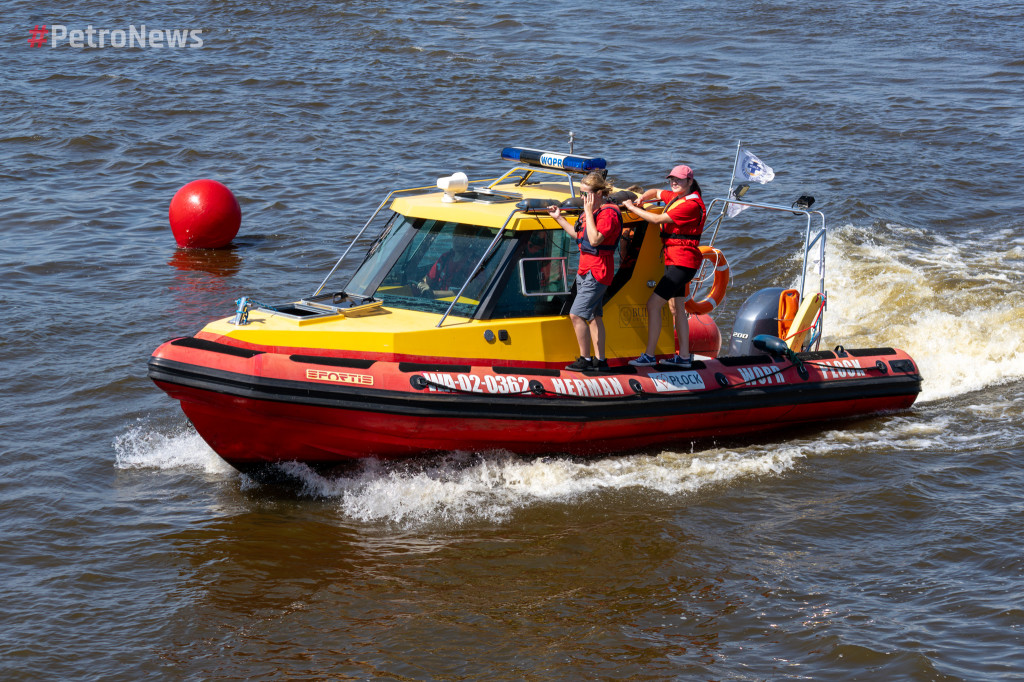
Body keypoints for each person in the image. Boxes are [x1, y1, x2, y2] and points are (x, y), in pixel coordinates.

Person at [622, 164, 706, 368]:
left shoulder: (691, 205)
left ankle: (649, 355)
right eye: (671, 179)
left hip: (682, 263)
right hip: (674, 260)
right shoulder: (677, 197)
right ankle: (684, 357)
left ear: (689, 182)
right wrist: (642, 199)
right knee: (677, 307)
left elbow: (658, 218)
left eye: (678, 180)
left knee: (653, 304)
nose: (674, 182)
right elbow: (656, 192)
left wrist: (632, 208)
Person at [547, 171, 622, 372]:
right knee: (593, 316)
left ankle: (585, 359)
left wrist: (588, 212)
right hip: (584, 270)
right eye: (581, 193)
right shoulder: (589, 212)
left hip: (598, 271)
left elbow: (596, 239)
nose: (582, 198)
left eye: (585, 194)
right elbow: (580, 237)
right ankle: (601, 360)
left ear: (598, 193)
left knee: (576, 314)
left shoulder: (609, 213)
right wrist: (559, 219)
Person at [416, 227, 477, 298]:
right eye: (455, 235)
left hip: (456, 305)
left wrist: (434, 293)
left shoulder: (475, 263)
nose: (455, 240)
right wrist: (422, 284)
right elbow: (428, 279)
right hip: (434, 301)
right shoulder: (445, 258)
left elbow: (468, 293)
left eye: (460, 237)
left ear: (470, 240)